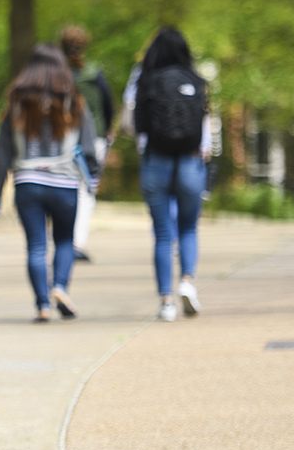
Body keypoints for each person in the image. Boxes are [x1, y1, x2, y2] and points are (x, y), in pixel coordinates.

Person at [0, 44, 101, 323]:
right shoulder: (74, 102)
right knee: (64, 241)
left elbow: (4, 151)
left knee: (36, 246)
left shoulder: (17, 102)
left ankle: (42, 305)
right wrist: (93, 177)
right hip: (64, 183)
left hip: (28, 183)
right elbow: (88, 149)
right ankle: (60, 287)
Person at [132, 28, 213, 322]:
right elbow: (205, 123)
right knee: (189, 227)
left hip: (156, 160)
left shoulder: (147, 81)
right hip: (190, 162)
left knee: (163, 234)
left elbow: (138, 125)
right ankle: (187, 283)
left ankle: (166, 301)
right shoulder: (196, 80)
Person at [60, 26, 114, 264]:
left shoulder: (55, 74)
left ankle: (63, 240)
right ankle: (76, 243)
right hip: (94, 140)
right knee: (87, 191)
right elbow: (108, 106)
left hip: (62, 140)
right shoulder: (95, 73)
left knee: (62, 187)